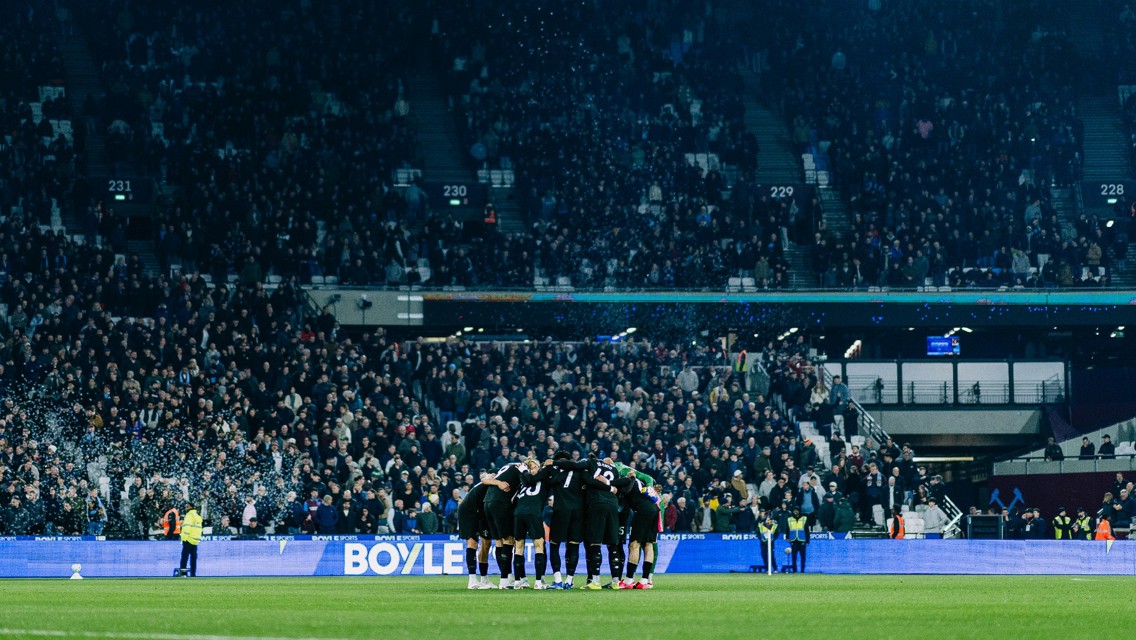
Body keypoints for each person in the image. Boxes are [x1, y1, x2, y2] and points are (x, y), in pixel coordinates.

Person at [547, 452, 590, 589]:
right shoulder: (580, 471)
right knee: (573, 545)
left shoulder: (557, 472)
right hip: (578, 512)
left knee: (554, 544)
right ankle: (569, 580)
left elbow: (549, 482)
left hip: (561, 510)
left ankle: (558, 580)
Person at [583, 457, 625, 589]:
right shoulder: (615, 470)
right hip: (612, 505)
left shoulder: (593, 466)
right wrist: (611, 487)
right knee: (613, 544)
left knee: (595, 543)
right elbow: (620, 487)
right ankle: (615, 582)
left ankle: (595, 581)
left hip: (597, 503)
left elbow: (590, 482)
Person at [511, 458, 554, 589]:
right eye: (532, 467)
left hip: (519, 513)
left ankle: (518, 582)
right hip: (533, 513)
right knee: (539, 546)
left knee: (518, 547)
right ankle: (538, 582)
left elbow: (513, 500)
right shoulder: (544, 480)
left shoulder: (523, 483)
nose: (533, 469)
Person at [483, 460, 525, 588]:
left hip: (487, 503)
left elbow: (484, 480)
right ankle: (505, 579)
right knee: (509, 540)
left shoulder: (507, 467)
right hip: (500, 503)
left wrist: (498, 482)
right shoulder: (520, 468)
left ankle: (507, 577)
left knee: (499, 541)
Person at [619, 474, 661, 589]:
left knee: (634, 544)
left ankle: (628, 581)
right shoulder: (640, 481)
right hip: (654, 509)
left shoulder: (625, 480)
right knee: (648, 544)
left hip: (643, 511)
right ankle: (644, 581)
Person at [178, 502, 203, 577]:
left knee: (184, 557)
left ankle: (183, 573)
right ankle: (193, 573)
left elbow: (187, 527)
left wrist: (183, 538)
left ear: (190, 507)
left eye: (187, 507)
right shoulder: (197, 516)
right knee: (193, 558)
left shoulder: (189, 515)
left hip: (188, 539)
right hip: (195, 540)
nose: (186, 508)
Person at [786, 506, 809, 573]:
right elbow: (787, 529)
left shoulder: (804, 519)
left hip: (802, 540)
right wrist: (787, 537)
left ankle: (802, 570)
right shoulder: (789, 519)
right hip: (793, 540)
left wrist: (807, 540)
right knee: (794, 557)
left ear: (799, 511)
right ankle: (794, 570)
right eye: (794, 510)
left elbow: (807, 530)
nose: (795, 512)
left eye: (797, 510)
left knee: (803, 557)